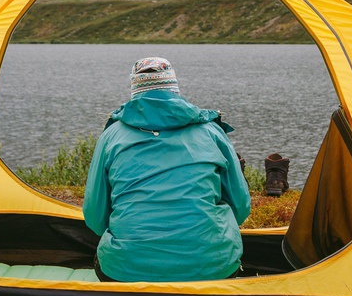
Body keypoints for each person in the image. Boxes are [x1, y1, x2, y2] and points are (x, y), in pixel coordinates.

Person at [83, 57, 250, 282]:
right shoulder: (211, 132)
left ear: (135, 89)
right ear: (174, 88)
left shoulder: (111, 137)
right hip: (212, 266)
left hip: (126, 270)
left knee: (109, 260)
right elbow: (240, 207)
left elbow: (94, 216)